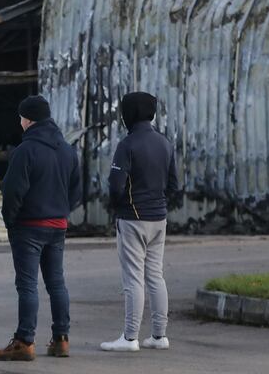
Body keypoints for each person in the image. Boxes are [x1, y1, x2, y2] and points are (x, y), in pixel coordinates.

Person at [0, 95, 82, 361]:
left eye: (21, 118)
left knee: (28, 285)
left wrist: (10, 220)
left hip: (29, 227)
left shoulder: (25, 151)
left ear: (28, 119)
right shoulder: (67, 150)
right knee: (56, 283)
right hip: (58, 225)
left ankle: (24, 341)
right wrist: (62, 211)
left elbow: (12, 192)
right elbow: (77, 191)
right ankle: (61, 339)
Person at [100, 91, 179, 352]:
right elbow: (174, 185)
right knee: (156, 276)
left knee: (133, 279)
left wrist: (118, 206)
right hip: (159, 218)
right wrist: (160, 203)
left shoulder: (128, 145)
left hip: (133, 218)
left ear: (128, 114)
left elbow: (115, 185)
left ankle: (130, 337)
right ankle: (159, 336)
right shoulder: (165, 143)